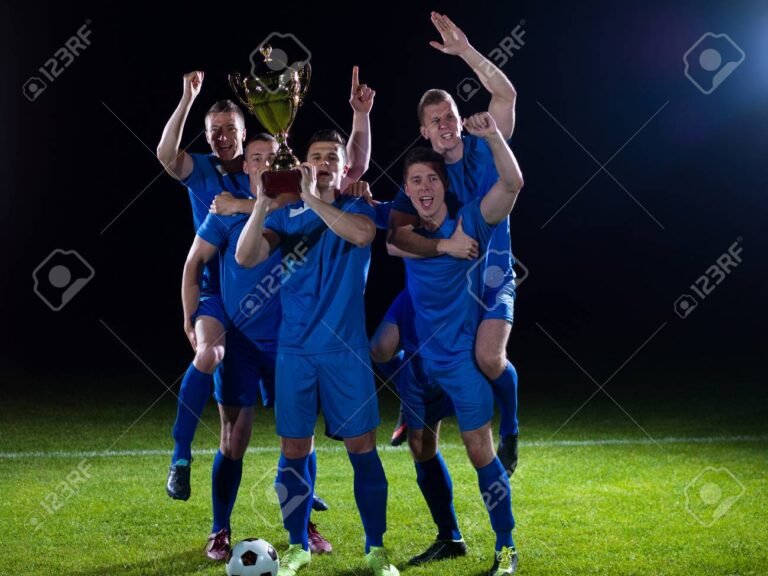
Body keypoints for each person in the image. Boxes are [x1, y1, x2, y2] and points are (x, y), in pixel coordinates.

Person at [156, 66, 375, 499]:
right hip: (224, 295)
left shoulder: (275, 182)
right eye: (214, 130)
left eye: (231, 130)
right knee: (217, 379)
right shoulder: (204, 173)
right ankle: (182, 458)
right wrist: (187, 98)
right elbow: (166, 157)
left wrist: (360, 117)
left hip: (281, 310)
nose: (223, 137)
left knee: (296, 422)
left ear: (246, 136)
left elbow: (350, 167)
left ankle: (303, 504)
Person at [236, 130, 398, 576]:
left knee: (362, 448)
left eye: (332, 156)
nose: (324, 162)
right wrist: (265, 205)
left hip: (346, 351)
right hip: (295, 352)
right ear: (303, 163)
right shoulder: (286, 216)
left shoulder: (356, 207)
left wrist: (313, 198)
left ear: (345, 168)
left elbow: (364, 236)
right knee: (293, 449)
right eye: (315, 156)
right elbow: (246, 257)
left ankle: (376, 548)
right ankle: (296, 545)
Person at [181, 135, 332, 560]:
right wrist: (190, 317)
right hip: (243, 344)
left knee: (300, 441)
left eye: (271, 158)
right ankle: (219, 529)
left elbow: (345, 174)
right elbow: (193, 262)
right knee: (233, 438)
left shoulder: (302, 207)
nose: (263, 164)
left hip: (291, 341)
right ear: (245, 167)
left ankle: (304, 527)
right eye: (255, 159)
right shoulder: (224, 210)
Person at [387, 12, 521, 473]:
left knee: (488, 357)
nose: (445, 124)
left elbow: (506, 94)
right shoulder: (421, 178)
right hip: (446, 287)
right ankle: (414, 406)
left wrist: (464, 50)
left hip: (491, 276)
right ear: (424, 131)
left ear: (459, 119)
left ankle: (511, 429)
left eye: (449, 116)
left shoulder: (486, 144)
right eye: (434, 120)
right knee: (399, 343)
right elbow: (394, 238)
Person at [396, 111, 524, 575]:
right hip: (417, 366)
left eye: (432, 178)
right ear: (407, 191)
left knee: (478, 451)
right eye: (415, 180)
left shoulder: (472, 221)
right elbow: (371, 227)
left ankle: (506, 548)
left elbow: (511, 185)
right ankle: (449, 537)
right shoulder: (403, 235)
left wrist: (492, 139)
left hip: (459, 363)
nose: (425, 186)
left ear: (444, 185)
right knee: (419, 445)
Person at [370, 290, 467, 566]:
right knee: (379, 348)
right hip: (421, 284)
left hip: (451, 291)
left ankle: (502, 546)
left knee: (477, 443)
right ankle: (450, 537)